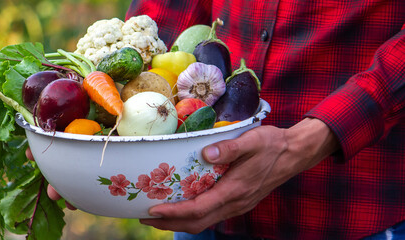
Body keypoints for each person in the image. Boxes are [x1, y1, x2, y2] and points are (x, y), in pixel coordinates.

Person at [37, 0, 405, 239]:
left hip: (346, 210)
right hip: (204, 206)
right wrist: (91, 109)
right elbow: (169, 10)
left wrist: (304, 142)